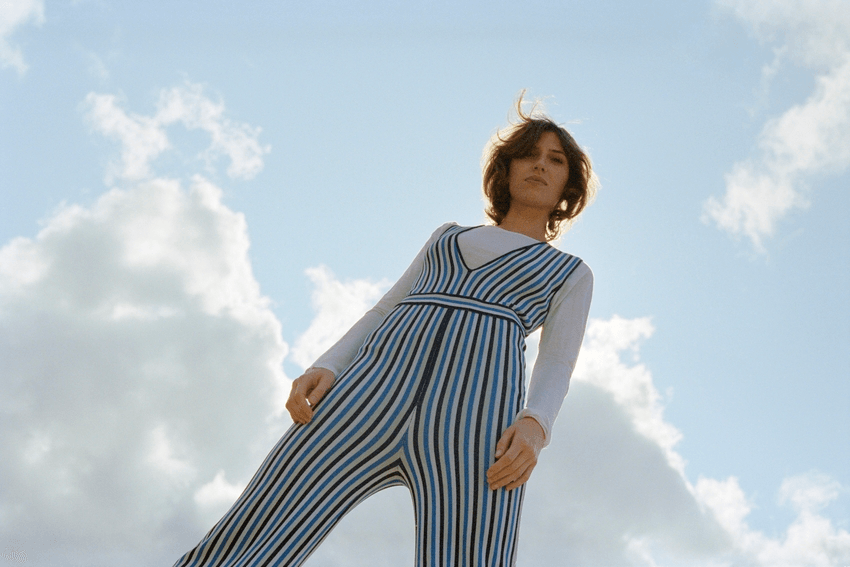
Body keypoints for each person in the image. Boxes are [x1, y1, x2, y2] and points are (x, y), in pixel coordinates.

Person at [172, 95, 597, 567]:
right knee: (264, 519)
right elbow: (385, 308)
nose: (540, 165)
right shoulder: (446, 237)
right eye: (530, 154)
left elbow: (558, 359)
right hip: (367, 394)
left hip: (474, 421)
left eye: (554, 161)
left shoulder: (570, 272)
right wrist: (328, 364)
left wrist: (536, 425)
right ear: (507, 168)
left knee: (472, 555)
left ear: (567, 186)